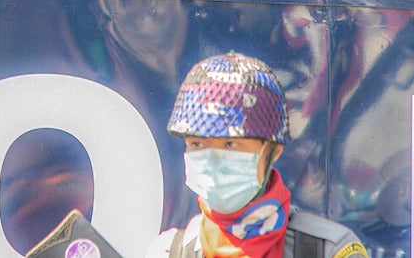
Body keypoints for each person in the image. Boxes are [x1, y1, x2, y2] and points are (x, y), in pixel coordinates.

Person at [146, 51, 367, 258]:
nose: (212, 160)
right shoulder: (169, 251)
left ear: (273, 151)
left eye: (230, 143)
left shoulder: (330, 250)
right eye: (196, 143)